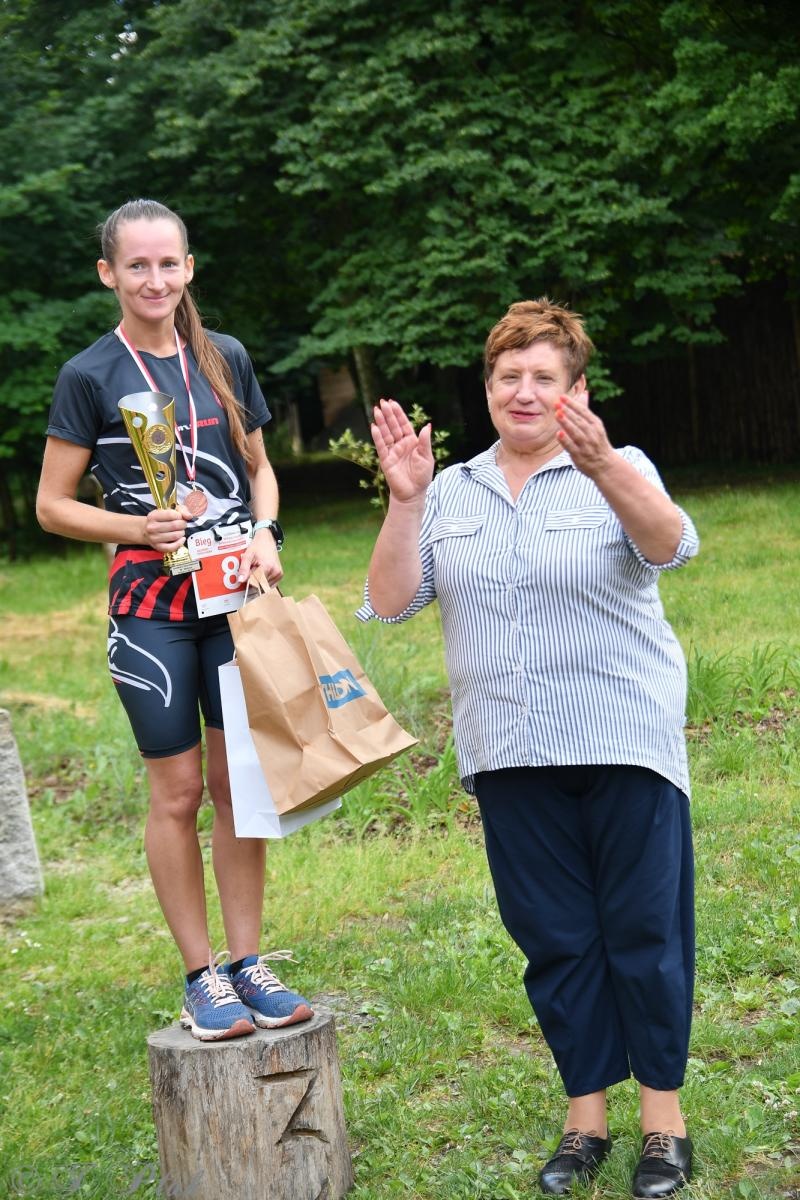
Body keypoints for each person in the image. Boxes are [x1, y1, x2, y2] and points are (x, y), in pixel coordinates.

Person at [357, 299, 698, 1198]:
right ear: (488, 388)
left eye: (545, 376)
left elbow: (670, 542)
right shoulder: (453, 491)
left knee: (645, 932)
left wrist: (605, 468)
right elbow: (391, 602)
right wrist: (406, 499)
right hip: (509, 749)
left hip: (625, 735)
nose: (525, 390)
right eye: (509, 375)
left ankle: (663, 1124)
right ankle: (585, 1121)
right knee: (554, 939)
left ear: (575, 390)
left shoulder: (617, 468)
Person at [37, 198, 313, 1041]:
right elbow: (52, 507)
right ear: (109, 275)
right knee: (179, 791)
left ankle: (248, 963)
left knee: (239, 789)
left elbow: (262, 472)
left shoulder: (222, 358)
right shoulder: (91, 374)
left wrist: (266, 533)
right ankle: (201, 978)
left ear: (188, 267)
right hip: (150, 610)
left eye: (169, 263)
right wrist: (134, 527)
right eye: (137, 266)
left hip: (233, 601)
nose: (154, 279)